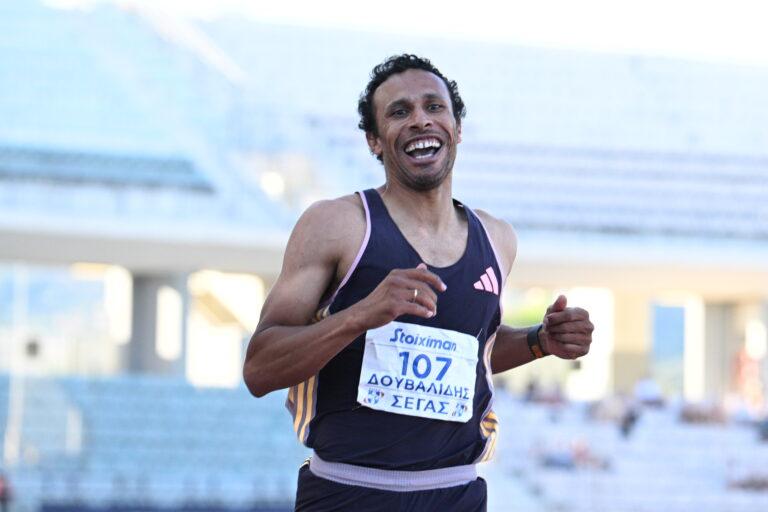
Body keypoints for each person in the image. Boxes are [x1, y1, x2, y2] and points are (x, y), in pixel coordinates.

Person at [243, 54, 594, 511]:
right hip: (348, 492)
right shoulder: (337, 225)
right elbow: (259, 369)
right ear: (374, 140)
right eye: (399, 111)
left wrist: (539, 341)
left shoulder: (497, 239)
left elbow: (470, 354)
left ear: (457, 128)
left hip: (456, 493)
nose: (420, 120)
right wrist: (360, 316)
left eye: (434, 106)